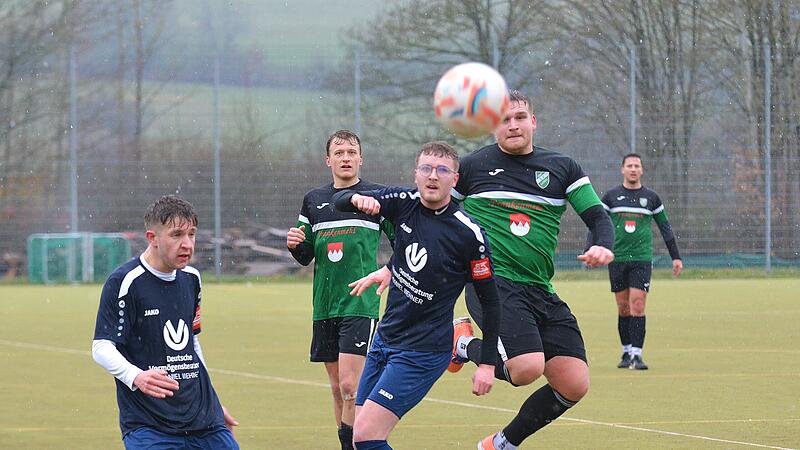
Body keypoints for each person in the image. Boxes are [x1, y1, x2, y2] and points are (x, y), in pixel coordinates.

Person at [449, 90, 615, 450]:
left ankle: (501, 444)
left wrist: (602, 245)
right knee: (526, 369)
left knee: (574, 383)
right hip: (491, 284)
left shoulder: (562, 167)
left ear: (533, 122)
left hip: (539, 287)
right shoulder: (472, 168)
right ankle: (462, 344)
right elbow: (437, 217)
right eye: (504, 119)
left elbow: (597, 215)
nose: (513, 125)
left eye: (520, 117)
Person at [333, 141, 501, 450]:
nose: (432, 176)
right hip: (385, 340)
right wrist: (356, 197)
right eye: (426, 168)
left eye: (442, 170)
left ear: (455, 179)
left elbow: (491, 301)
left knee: (367, 437)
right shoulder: (403, 202)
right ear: (416, 174)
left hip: (422, 352)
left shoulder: (468, 234)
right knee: (360, 436)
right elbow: (338, 199)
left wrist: (487, 364)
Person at [91, 195, 239, 449]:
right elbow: (102, 347)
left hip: (205, 421)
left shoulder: (192, 278)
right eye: (177, 235)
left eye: (192, 234)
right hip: (150, 425)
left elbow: (191, 342)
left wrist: (212, 402)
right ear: (153, 238)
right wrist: (136, 376)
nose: (187, 244)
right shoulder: (125, 281)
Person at [286, 130, 394, 450]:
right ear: (328, 160)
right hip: (324, 305)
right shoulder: (313, 200)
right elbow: (306, 255)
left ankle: (356, 446)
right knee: (336, 389)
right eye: (339, 152)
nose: (345, 158)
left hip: (359, 303)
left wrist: (388, 270)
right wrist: (295, 245)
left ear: (360, 159)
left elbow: (401, 237)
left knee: (351, 386)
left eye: (351, 152)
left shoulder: (374, 196)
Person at [598, 153, 683, 370]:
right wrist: (594, 247)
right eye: (629, 165)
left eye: (637, 166)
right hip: (617, 259)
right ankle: (626, 351)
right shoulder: (611, 196)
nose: (633, 169)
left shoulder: (651, 198)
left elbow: (665, 227)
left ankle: (637, 355)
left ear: (642, 170)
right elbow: (597, 223)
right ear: (622, 169)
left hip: (642, 259)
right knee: (623, 307)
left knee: (638, 303)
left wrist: (676, 256)